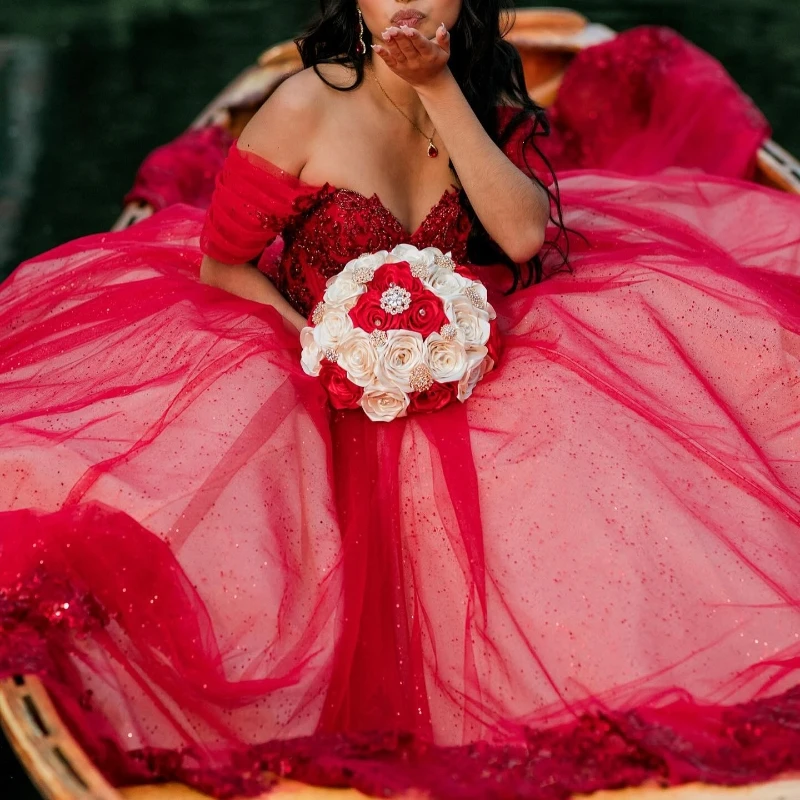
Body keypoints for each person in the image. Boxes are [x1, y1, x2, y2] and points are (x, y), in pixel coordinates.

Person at [1, 1, 800, 797]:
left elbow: (522, 240)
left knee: (604, 475)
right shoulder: (301, 107)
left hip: (468, 357)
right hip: (313, 360)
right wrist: (323, 347)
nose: (409, 2)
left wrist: (443, 90)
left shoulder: (480, 96)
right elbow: (222, 266)